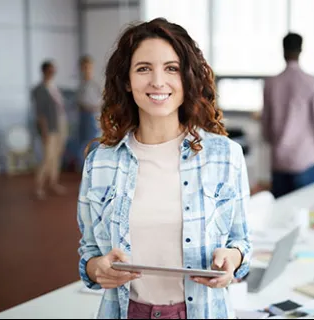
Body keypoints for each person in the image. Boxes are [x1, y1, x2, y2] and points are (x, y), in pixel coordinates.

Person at [77, 18, 252, 319]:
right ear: (127, 81)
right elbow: (90, 251)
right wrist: (96, 269)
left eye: (171, 68)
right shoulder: (100, 162)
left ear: (187, 78)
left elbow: (242, 243)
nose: (158, 81)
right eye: (143, 68)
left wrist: (232, 261)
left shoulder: (226, 155)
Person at [261, 33, 314, 198]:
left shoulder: (271, 83)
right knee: (306, 213)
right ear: (301, 50)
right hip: (306, 161)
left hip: (279, 161)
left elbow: (266, 125)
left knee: (280, 217)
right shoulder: (313, 83)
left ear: (283, 51)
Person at [32, 60, 68, 199]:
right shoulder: (39, 89)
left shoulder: (54, 87)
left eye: (54, 70)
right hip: (49, 127)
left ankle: (53, 183)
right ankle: (39, 187)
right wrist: (44, 131)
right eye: (50, 70)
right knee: (48, 157)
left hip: (60, 124)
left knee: (57, 156)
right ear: (44, 71)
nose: (53, 72)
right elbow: (40, 113)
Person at [77, 55, 103, 170]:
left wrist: (92, 108)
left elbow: (104, 101)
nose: (85, 69)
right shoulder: (81, 85)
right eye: (83, 67)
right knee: (83, 144)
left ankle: (94, 169)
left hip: (93, 116)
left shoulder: (96, 84)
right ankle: (84, 169)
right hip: (82, 116)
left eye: (87, 67)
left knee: (93, 142)